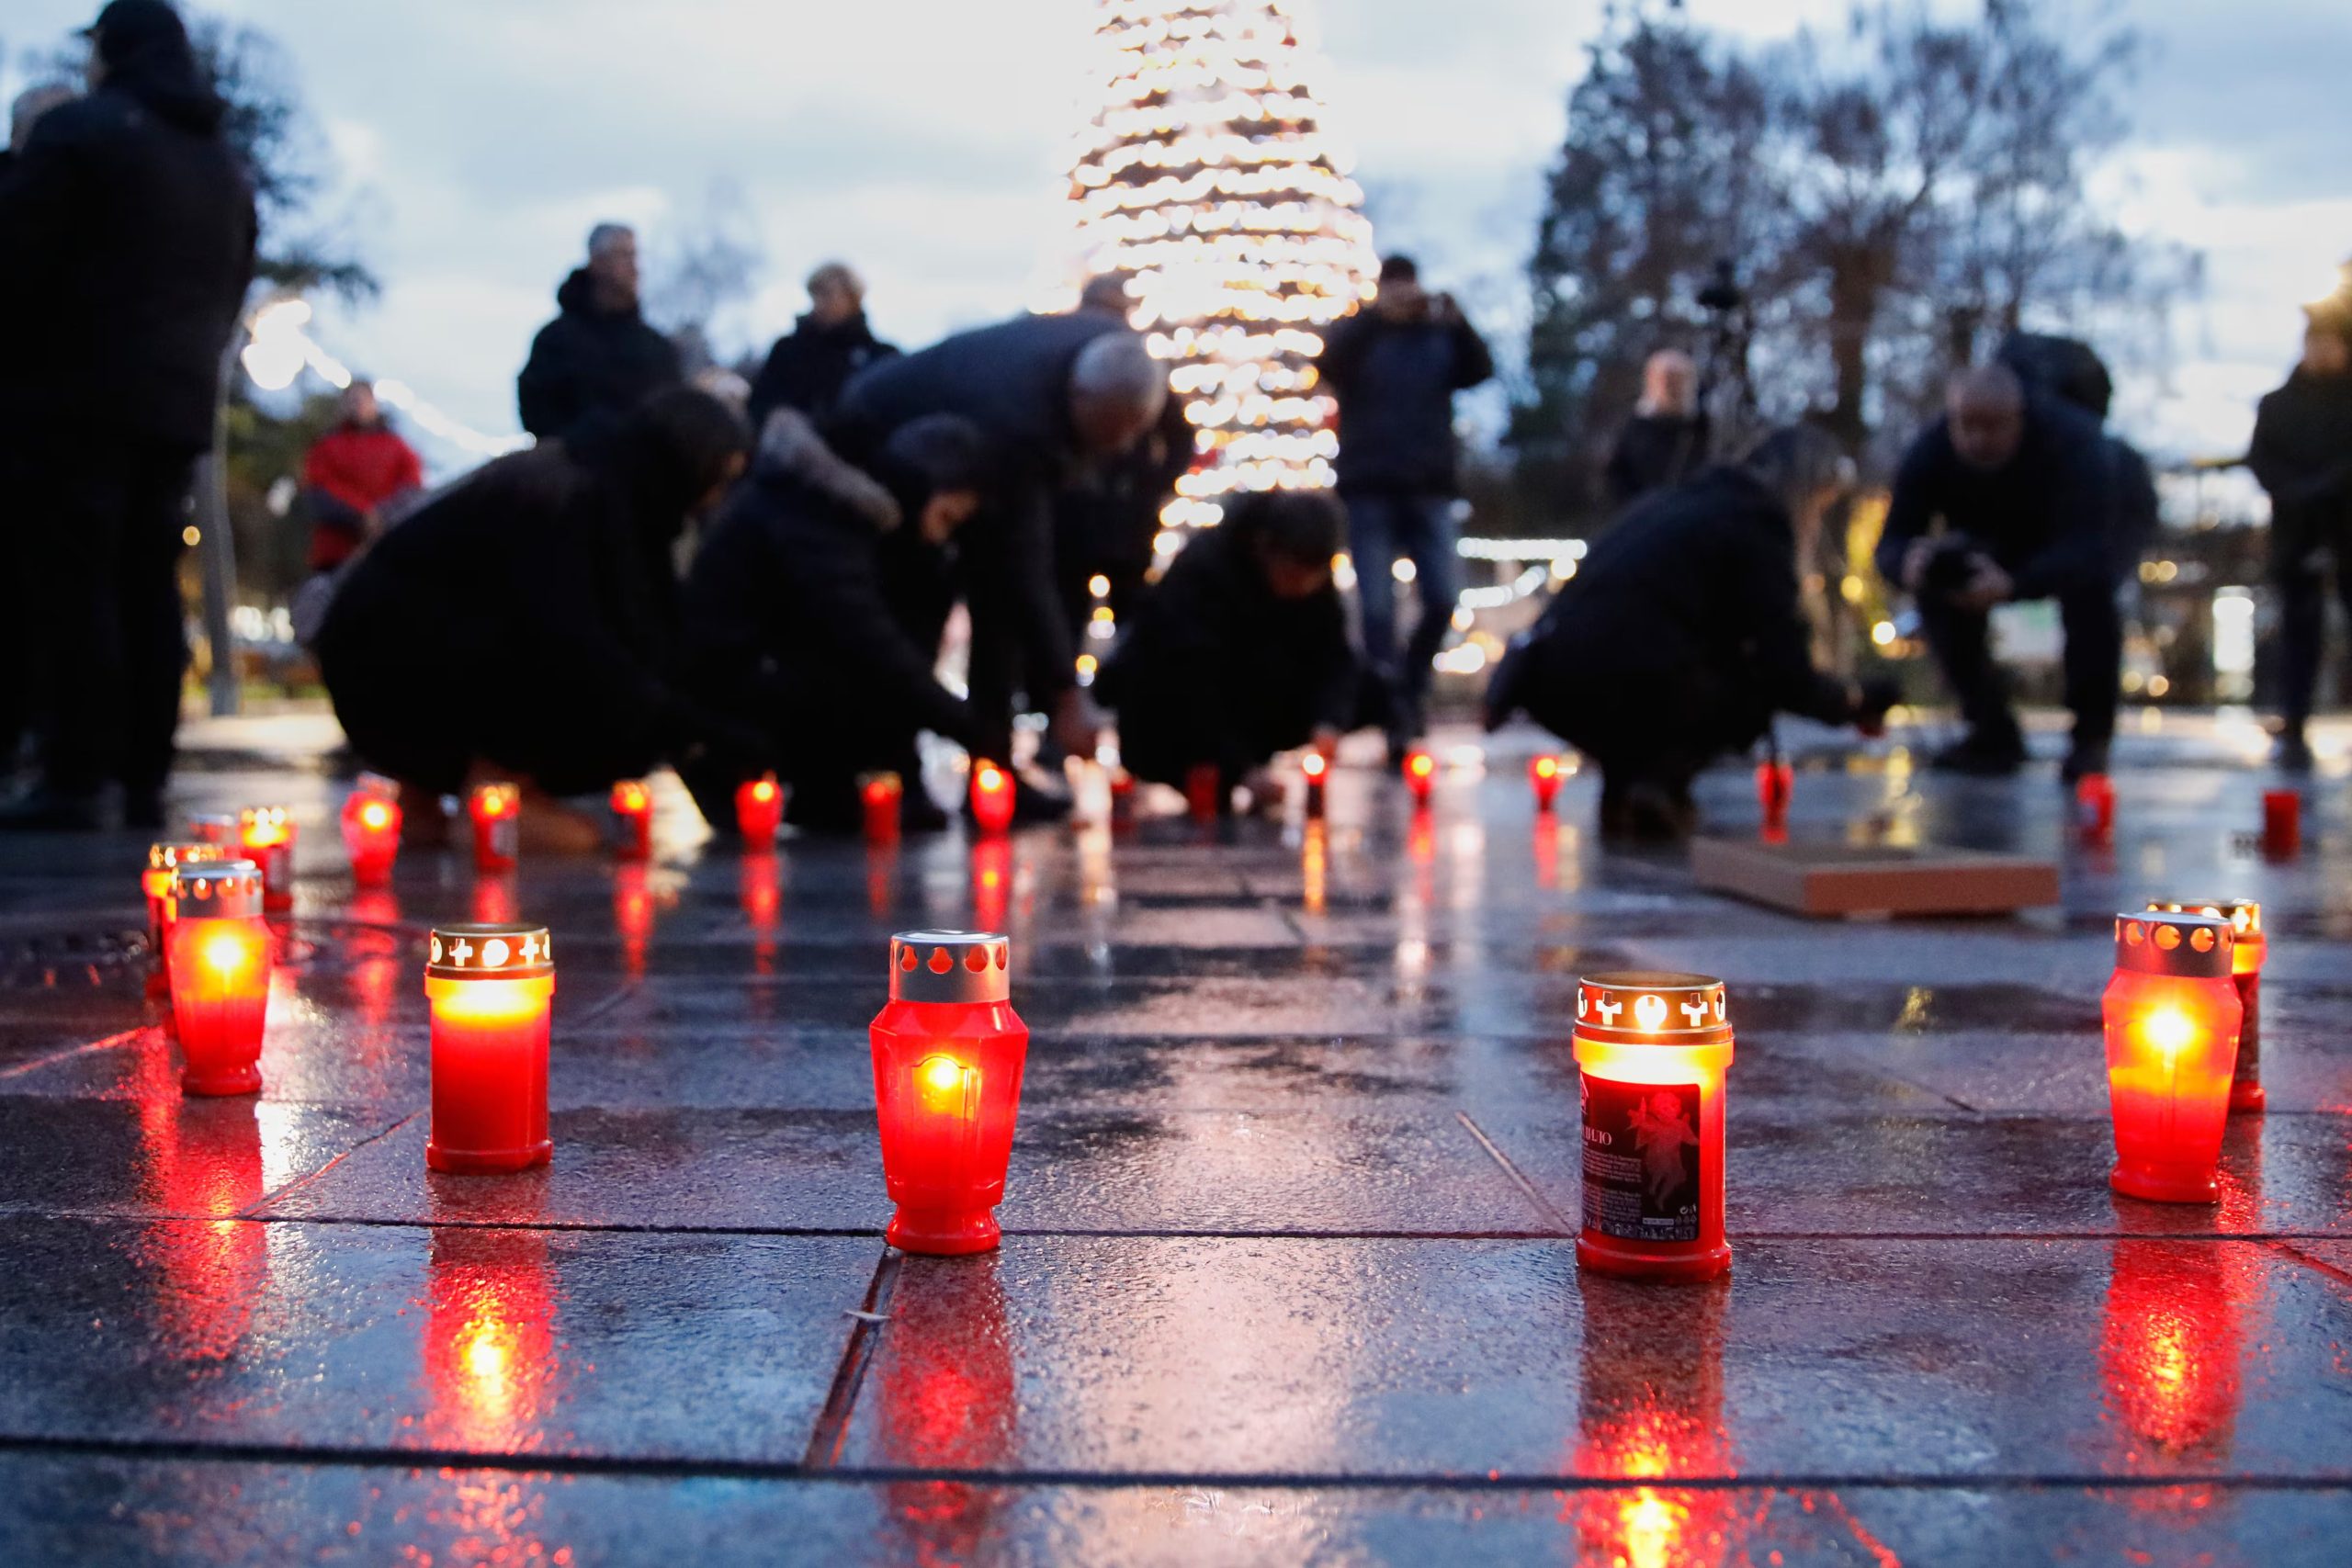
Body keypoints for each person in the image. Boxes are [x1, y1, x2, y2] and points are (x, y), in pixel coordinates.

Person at [0, 0, 256, 830]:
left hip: (73, 393)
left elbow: (19, 254)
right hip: (173, 402)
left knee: (73, 582)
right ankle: (147, 769)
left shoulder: (83, 134)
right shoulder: (218, 163)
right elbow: (233, 273)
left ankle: (75, 771)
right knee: (148, 585)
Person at [315, 388, 762, 845]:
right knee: (579, 669)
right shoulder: (572, 495)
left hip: (373, 661)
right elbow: (567, 638)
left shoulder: (600, 481)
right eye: (719, 478)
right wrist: (680, 726)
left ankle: (428, 798)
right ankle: (492, 794)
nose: (715, 499)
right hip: (388, 674)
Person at [1484, 426, 1897, 840]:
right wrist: (1849, 701)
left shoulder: (1679, 503)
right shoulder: (1756, 525)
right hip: (1614, 680)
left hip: (1545, 677)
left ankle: (1628, 791)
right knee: (1748, 691)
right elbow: (1782, 667)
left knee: (1670, 656)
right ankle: (1658, 781)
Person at [830, 311, 1169, 810]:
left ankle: (992, 770)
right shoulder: (1021, 420)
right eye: (1113, 430)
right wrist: (1066, 694)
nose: (1122, 446)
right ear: (1081, 399)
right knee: (922, 605)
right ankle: (892, 770)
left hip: (956, 447)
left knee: (1000, 609)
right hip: (880, 446)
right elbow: (1024, 567)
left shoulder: (1112, 354)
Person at [678, 410, 987, 835]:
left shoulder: (816, 503)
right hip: (736, 691)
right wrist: (964, 725)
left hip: (750, 676)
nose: (939, 537)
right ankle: (811, 787)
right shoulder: (820, 515)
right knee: (860, 675)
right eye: (946, 518)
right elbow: (863, 637)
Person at [1874, 365, 2121, 780]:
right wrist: (1908, 563)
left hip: (2065, 540)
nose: (1977, 439)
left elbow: (2091, 546)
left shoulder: (2074, 444)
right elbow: (1892, 540)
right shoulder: (1930, 450)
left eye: (1992, 426)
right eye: (1966, 425)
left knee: (2093, 599)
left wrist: (2015, 584)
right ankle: (1990, 730)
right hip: (1987, 545)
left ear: (2019, 417)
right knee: (1940, 590)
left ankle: (2091, 739)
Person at [1317, 254, 1494, 757]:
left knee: (1442, 598)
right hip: (1369, 485)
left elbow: (1480, 371)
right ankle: (1392, 705)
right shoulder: (1360, 335)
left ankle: (1409, 688)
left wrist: (1458, 322)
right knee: (1375, 609)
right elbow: (1327, 364)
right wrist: (1374, 318)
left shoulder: (1438, 335)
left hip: (1428, 485)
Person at [1095, 489, 1357, 807]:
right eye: (1292, 575)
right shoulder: (1204, 572)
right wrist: (1241, 770)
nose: (1302, 588)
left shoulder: (1313, 578)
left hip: (1253, 704)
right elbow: (1189, 678)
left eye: (1311, 578)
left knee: (1370, 690)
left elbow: (1335, 657)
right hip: (1172, 716)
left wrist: (1328, 720)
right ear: (1264, 548)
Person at [2248, 299, 2352, 773]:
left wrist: (2322, 487)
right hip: (2296, 530)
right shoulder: (2277, 404)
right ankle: (2293, 718)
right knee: (2297, 627)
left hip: (2344, 524)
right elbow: (2262, 459)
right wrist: (2297, 492)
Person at [516, 222, 683, 447]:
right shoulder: (556, 341)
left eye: (634, 255)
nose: (635, 267)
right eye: (623, 256)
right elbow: (538, 410)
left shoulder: (657, 348)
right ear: (598, 261)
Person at [746, 262, 897, 431]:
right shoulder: (788, 350)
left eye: (828, 295)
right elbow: (759, 407)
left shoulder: (881, 356)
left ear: (852, 298)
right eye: (815, 295)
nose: (819, 303)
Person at [300, 380, 423, 574]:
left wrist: (382, 517)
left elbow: (412, 488)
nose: (356, 405)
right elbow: (318, 492)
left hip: (387, 551)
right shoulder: (326, 446)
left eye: (362, 399)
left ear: (373, 403)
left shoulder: (397, 447)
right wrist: (361, 515)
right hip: (336, 555)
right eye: (351, 400)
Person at [1605, 348, 1710, 509]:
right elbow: (1617, 474)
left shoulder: (1702, 428)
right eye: (1664, 379)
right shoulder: (1636, 425)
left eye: (1676, 380)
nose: (1670, 386)